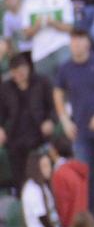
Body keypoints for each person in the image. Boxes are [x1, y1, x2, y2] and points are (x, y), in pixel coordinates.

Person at [52, 29, 94, 212]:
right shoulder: (66, 68)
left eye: (80, 40)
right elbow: (57, 94)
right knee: (82, 178)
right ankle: (86, 220)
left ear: (87, 43)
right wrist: (65, 121)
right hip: (81, 131)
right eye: (73, 40)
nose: (76, 44)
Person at [0, 52, 54, 188]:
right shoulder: (5, 88)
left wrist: (50, 121)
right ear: (12, 73)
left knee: (42, 175)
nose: (20, 75)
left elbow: (53, 106)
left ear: (28, 68)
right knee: (20, 179)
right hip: (15, 139)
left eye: (22, 71)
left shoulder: (42, 82)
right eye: (16, 72)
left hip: (38, 137)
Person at [20, 0, 74, 77]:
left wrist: (53, 22)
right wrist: (37, 25)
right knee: (47, 88)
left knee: (67, 80)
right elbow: (25, 33)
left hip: (61, 46)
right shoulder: (28, 2)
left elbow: (70, 27)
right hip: (40, 52)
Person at [47, 134, 92, 227]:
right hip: (82, 225)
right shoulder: (77, 171)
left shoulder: (60, 173)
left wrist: (63, 226)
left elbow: (62, 204)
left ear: (55, 150)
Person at [21, 151, 57, 227]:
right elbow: (41, 216)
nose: (49, 169)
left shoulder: (44, 186)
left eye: (49, 165)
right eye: (45, 166)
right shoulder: (32, 188)